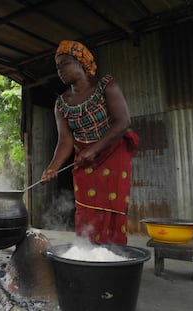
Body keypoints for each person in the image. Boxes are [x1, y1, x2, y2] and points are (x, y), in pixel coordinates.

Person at [41, 40, 139, 245]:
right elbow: (65, 141)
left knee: (112, 206)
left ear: (81, 62)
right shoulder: (61, 103)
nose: (60, 71)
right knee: (86, 208)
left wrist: (94, 149)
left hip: (113, 153)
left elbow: (123, 123)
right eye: (57, 67)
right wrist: (52, 168)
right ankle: (88, 252)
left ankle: (114, 254)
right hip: (85, 160)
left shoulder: (106, 85)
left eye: (65, 63)